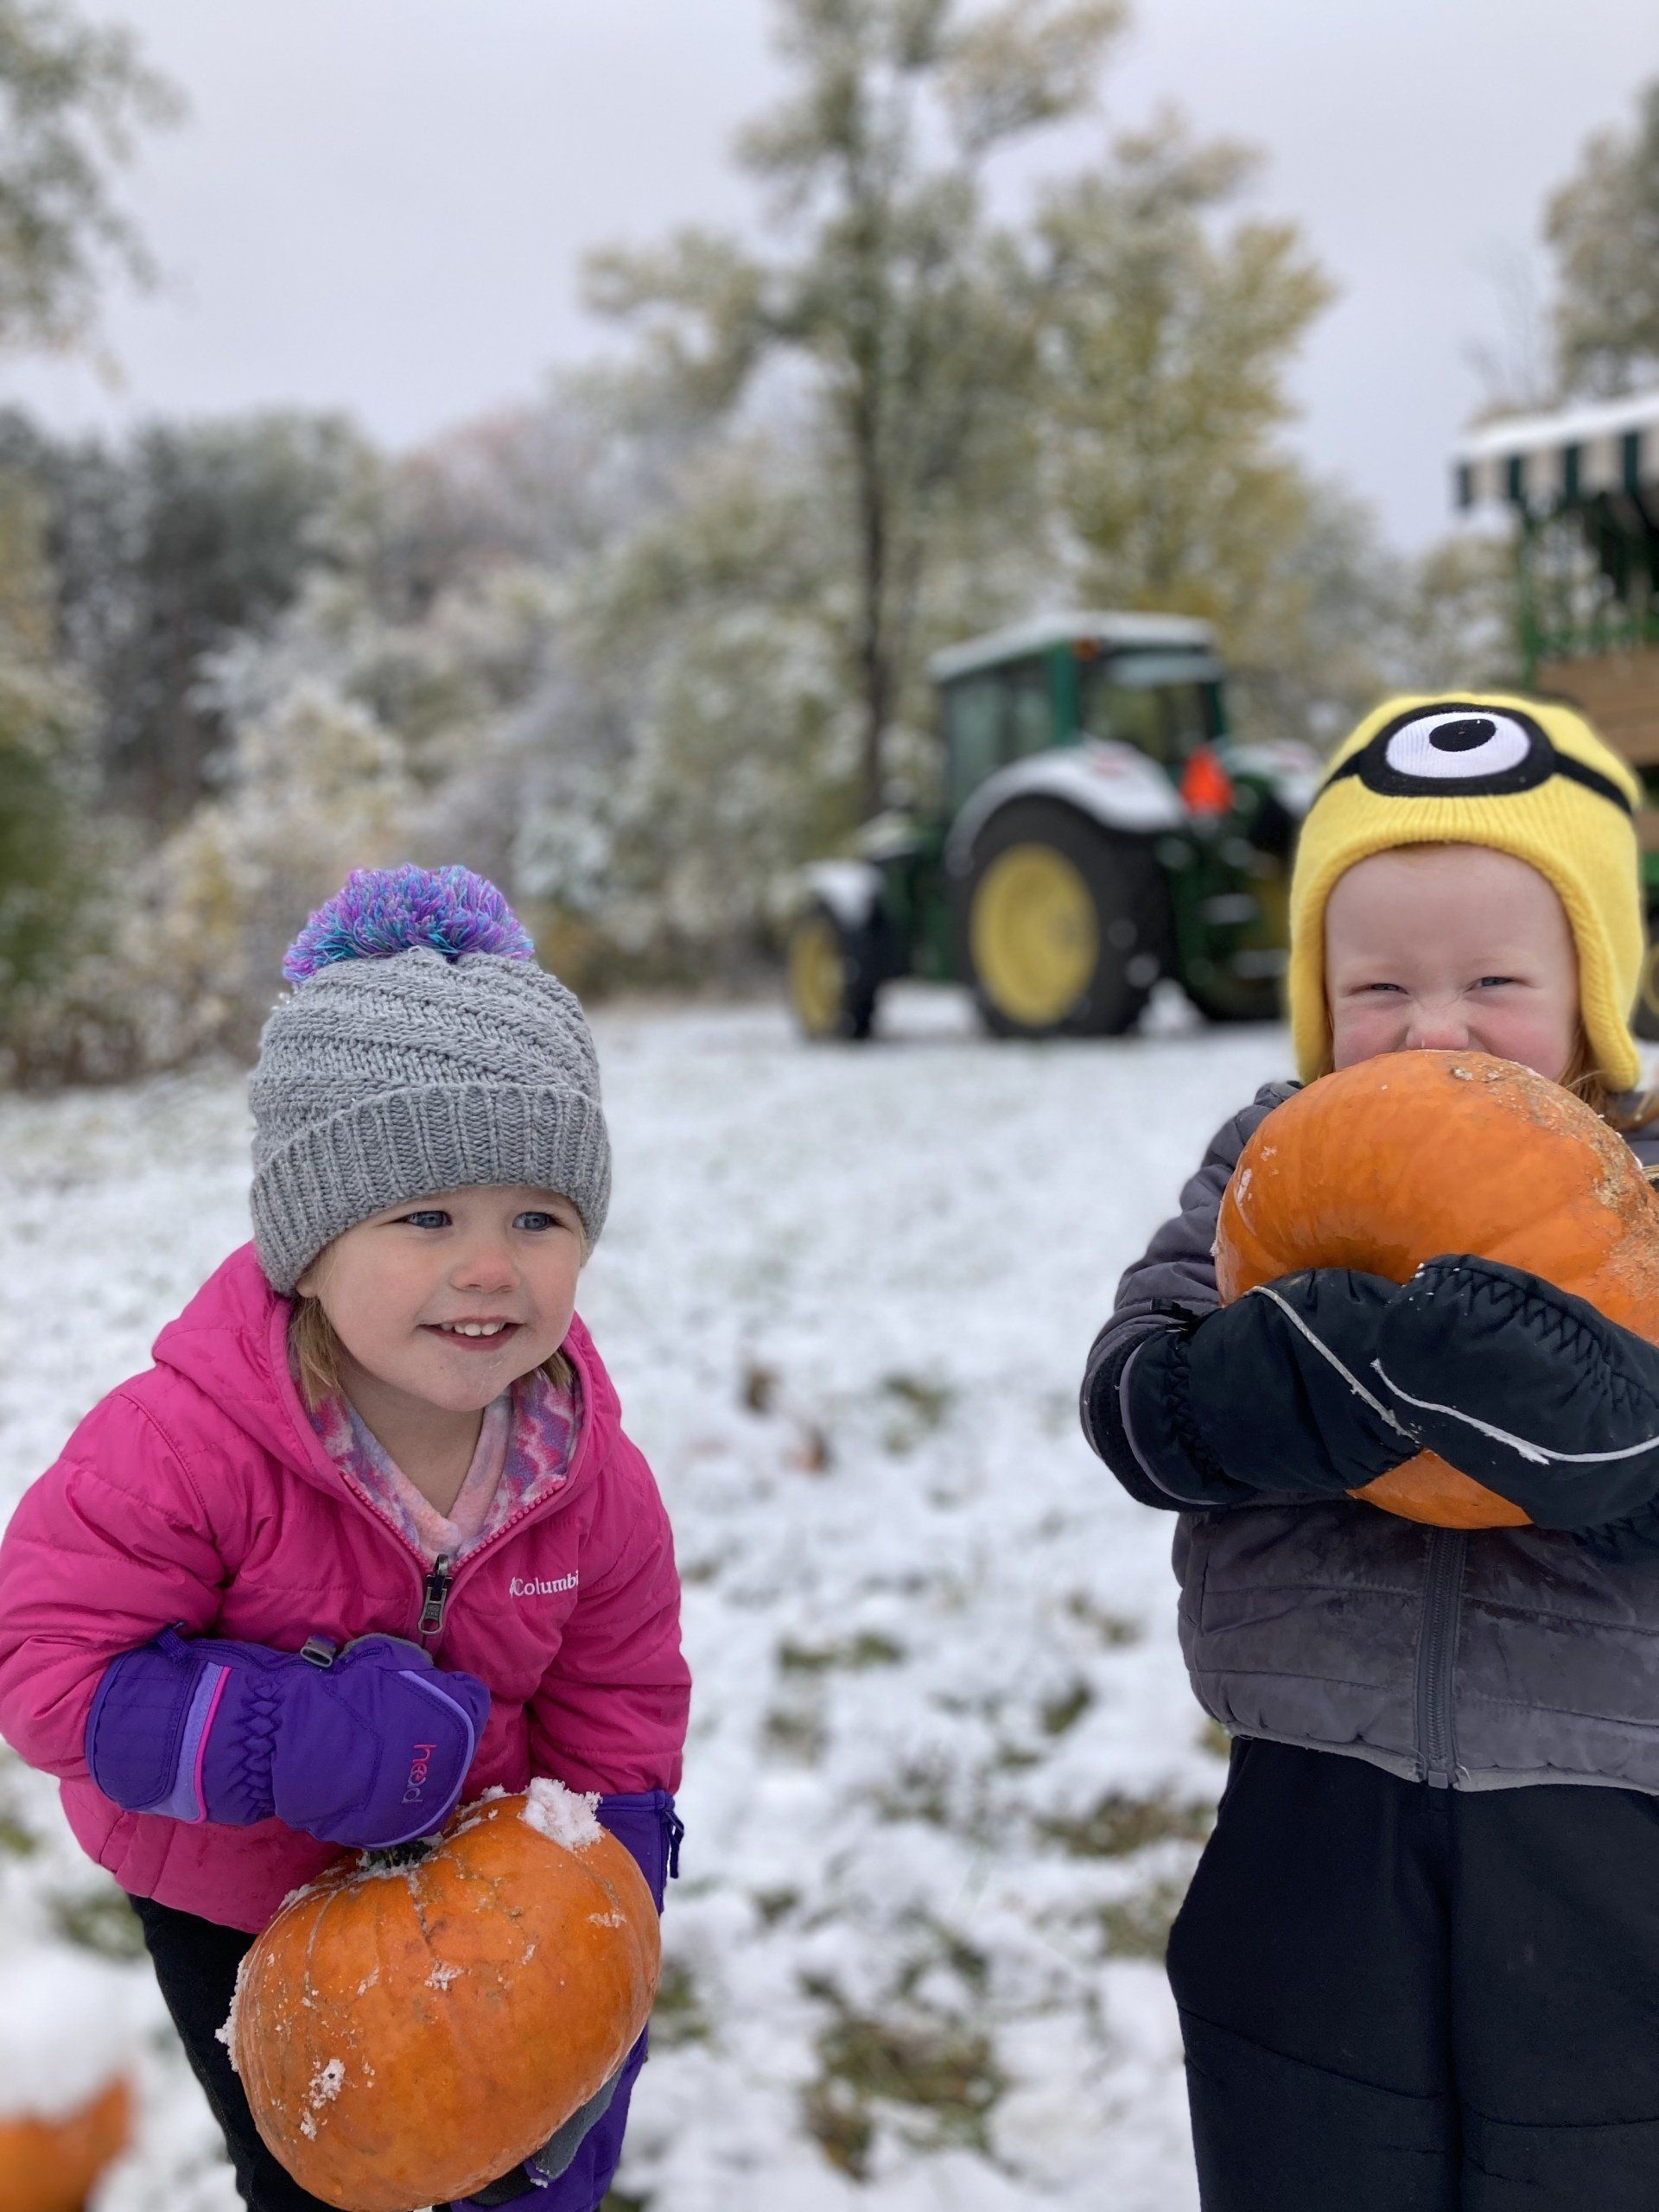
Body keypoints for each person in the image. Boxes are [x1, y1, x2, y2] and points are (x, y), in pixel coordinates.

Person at [0, 863, 690, 2212]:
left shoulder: (588, 1477)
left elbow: (621, 1698)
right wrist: (294, 1737)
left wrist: (606, 1919)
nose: (488, 1265)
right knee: (328, 2185)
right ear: (308, 1245)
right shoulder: (182, 1446)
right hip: (240, 1910)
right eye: (425, 1215)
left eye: (536, 1218)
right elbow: (48, 1671)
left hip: (489, 1911)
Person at [1081, 695, 1659, 2210]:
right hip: (1309, 1839)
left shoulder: (1652, 1192)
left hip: (1612, 1869)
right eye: (1378, 983)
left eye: (1494, 981)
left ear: (1595, 990)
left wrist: (1627, 1448)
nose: (1433, 1027)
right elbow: (1133, 1399)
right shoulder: (1267, 1167)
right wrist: (1266, 1386)